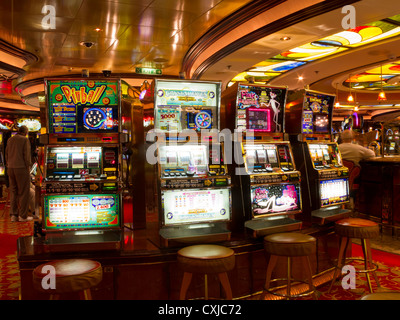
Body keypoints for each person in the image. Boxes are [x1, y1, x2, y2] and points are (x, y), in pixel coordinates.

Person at [5, 125, 34, 222]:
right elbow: (26, 156)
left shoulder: (10, 140)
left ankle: (13, 215)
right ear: (25, 132)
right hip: (21, 168)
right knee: (23, 192)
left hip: (10, 167)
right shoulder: (24, 140)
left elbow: (6, 154)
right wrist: (28, 167)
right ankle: (23, 216)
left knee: (14, 192)